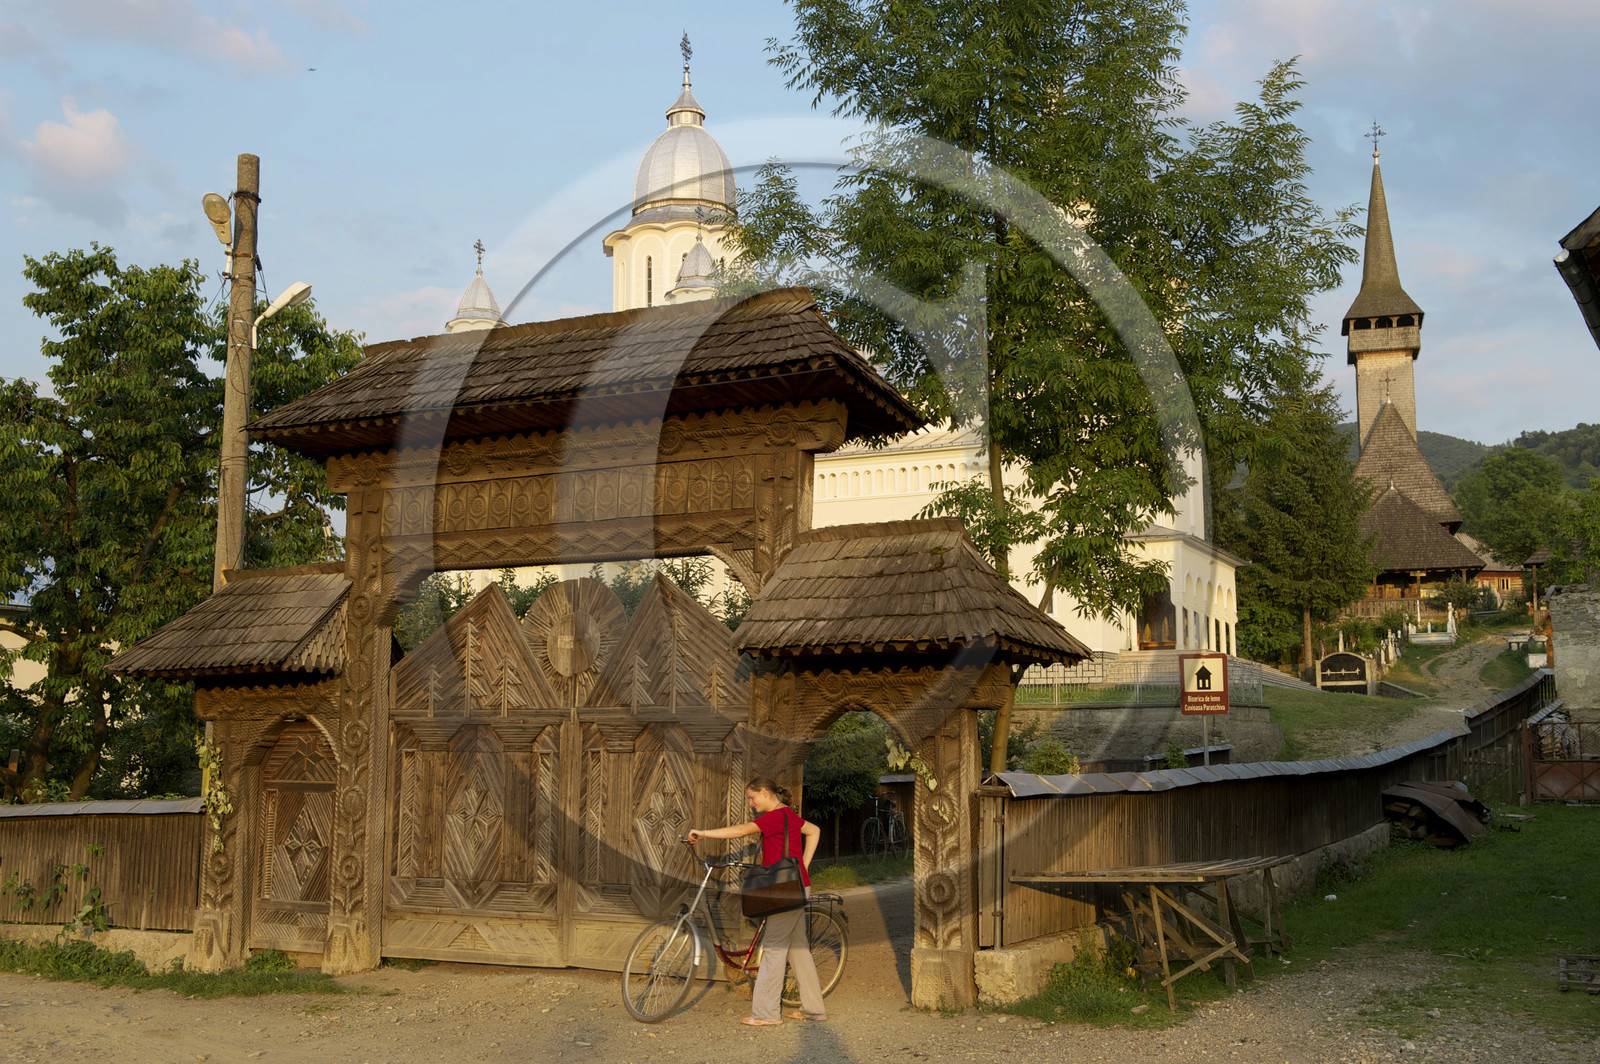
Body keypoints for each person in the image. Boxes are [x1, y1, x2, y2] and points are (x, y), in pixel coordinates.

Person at [686, 776, 826, 1027]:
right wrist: (803, 866)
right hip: (797, 886)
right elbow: (814, 831)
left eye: (752, 797)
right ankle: (814, 1009)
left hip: (785, 890)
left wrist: (704, 833)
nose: (751, 803)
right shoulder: (789, 815)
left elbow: (740, 831)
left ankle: (766, 1014)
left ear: (764, 792)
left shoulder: (773, 817)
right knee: (799, 950)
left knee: (773, 948)